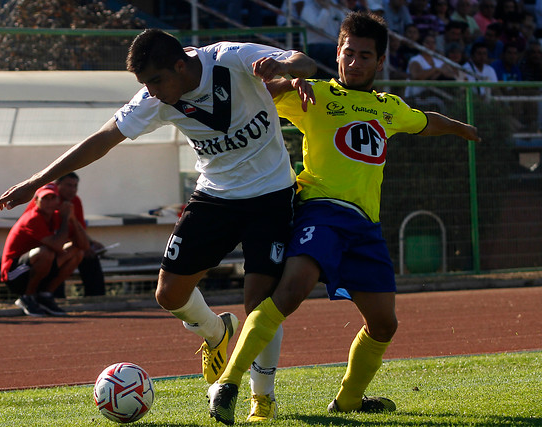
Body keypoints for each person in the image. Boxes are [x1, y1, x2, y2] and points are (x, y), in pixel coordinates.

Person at [0, 29, 316, 420]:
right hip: (216, 196)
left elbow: (304, 61)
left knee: (258, 304)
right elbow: (101, 140)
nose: (152, 91)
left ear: (181, 65)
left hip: (270, 196)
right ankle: (216, 333)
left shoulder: (231, 57)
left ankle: (261, 397)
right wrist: (34, 182)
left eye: (157, 81)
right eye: (145, 84)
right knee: (169, 294)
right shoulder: (155, 98)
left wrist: (282, 66)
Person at [206, 11, 480, 425]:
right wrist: (281, 76)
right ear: (337, 53)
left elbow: (426, 123)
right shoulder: (313, 95)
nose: (354, 62)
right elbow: (254, 97)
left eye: (364, 56)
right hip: (321, 210)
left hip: (366, 228)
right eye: (348, 53)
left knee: (385, 324)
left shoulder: (390, 109)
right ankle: (228, 383)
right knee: (293, 288)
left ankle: (349, 401)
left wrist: (463, 129)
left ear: (380, 62)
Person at [0, 183, 90, 317]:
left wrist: (73, 219)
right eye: (44, 199)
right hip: (14, 275)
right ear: (36, 201)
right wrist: (66, 219)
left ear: (58, 201)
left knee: (77, 252)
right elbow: (57, 246)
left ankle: (45, 296)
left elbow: (84, 246)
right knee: (45, 253)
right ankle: (27, 297)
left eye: (52, 198)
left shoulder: (57, 216)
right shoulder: (32, 218)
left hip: (40, 267)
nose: (49, 202)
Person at [24, 172, 107, 298]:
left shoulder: (74, 202)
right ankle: (47, 296)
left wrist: (90, 242)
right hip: (36, 253)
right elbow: (52, 240)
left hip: (58, 245)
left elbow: (77, 229)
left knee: (87, 254)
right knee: (55, 255)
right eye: (68, 185)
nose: (72, 190)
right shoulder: (44, 207)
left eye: (75, 186)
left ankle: (96, 298)